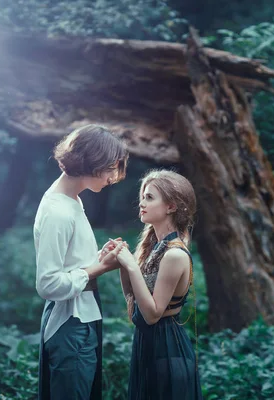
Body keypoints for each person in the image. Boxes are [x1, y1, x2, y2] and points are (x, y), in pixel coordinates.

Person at [34, 124, 129, 400]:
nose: (113, 177)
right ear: (92, 160)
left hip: (82, 317)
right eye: (111, 168)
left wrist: (99, 258)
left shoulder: (71, 200)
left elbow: (70, 263)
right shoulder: (59, 211)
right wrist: (102, 267)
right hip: (71, 323)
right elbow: (48, 283)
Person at [102, 169, 203, 399]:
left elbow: (152, 314)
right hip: (149, 345)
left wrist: (131, 266)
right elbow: (133, 297)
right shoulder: (157, 249)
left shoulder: (175, 254)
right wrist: (123, 261)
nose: (141, 203)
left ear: (171, 206)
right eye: (142, 197)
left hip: (167, 350)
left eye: (149, 197)